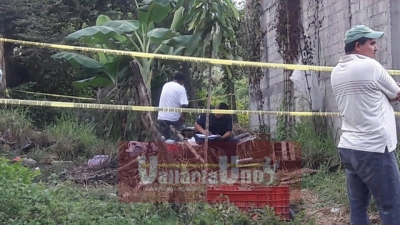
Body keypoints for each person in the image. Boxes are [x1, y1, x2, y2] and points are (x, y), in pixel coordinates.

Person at [330, 25, 400, 224]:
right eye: (372, 43)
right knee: (390, 206)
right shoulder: (371, 66)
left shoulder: (336, 72)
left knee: (358, 206)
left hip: (349, 147)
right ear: (358, 46)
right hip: (375, 148)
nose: (376, 48)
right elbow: (395, 93)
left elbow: (371, 94)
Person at [157, 72, 189, 141]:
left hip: (161, 117)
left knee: (164, 140)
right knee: (179, 138)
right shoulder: (181, 88)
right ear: (182, 81)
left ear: (174, 79)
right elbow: (183, 104)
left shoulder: (166, 85)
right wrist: (183, 116)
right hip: (174, 119)